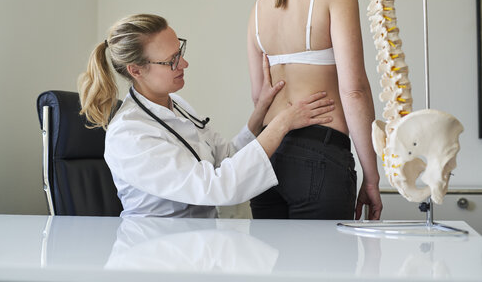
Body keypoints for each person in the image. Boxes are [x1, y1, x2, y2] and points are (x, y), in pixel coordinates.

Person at [77, 13, 335, 218]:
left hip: (196, 243)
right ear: (136, 70)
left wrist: (260, 114)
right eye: (171, 61)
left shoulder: (175, 104)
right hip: (157, 252)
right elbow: (217, 186)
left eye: (181, 52)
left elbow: (227, 157)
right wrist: (283, 123)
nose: (184, 64)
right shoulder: (129, 134)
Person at [247, 0, 382, 220]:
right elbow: (354, 91)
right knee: (325, 262)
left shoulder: (259, 6)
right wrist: (371, 178)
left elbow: (258, 97)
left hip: (264, 158)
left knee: (275, 261)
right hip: (319, 157)